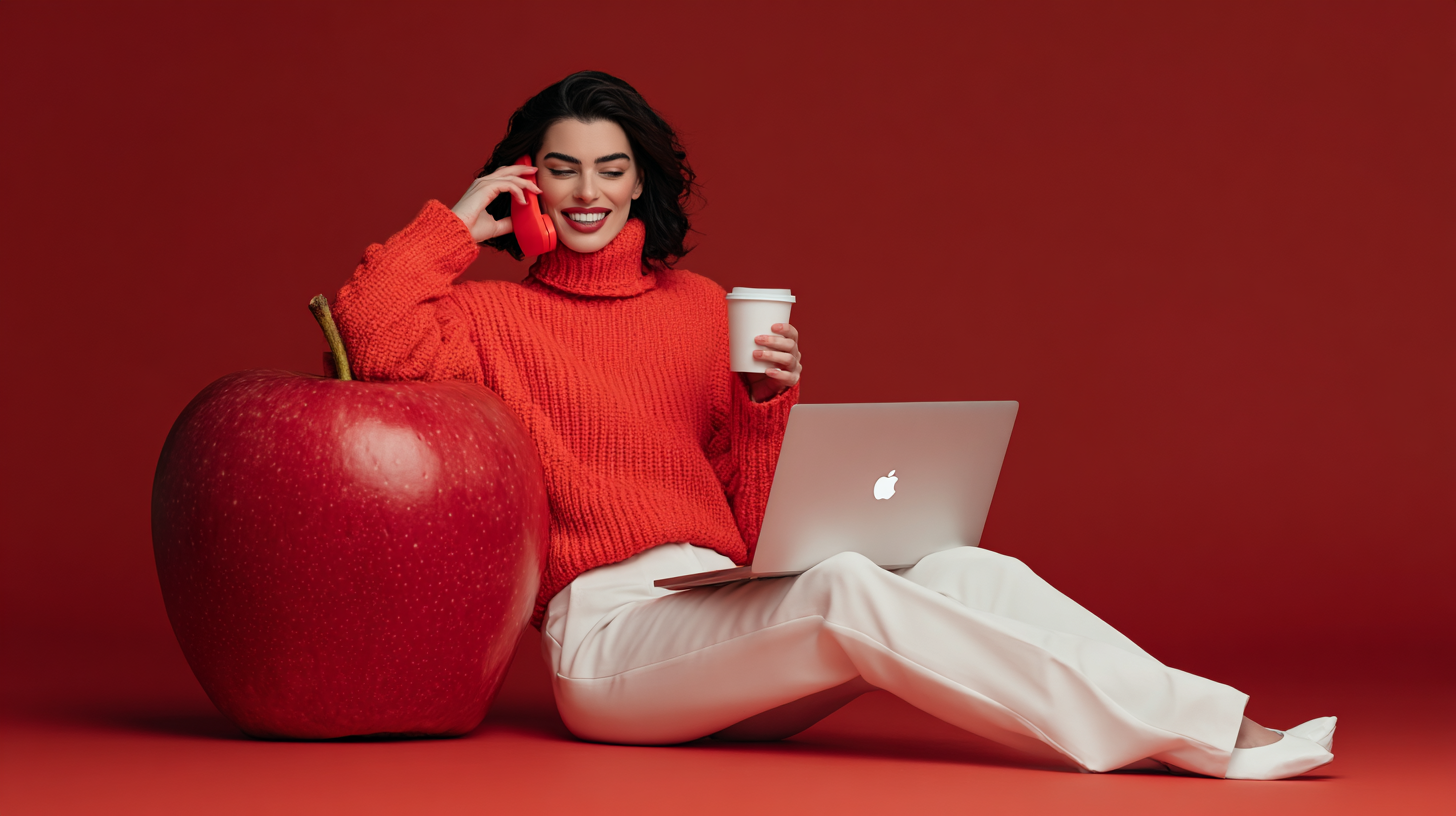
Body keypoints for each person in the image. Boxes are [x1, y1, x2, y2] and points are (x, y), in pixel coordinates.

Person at [332, 70, 1335, 780]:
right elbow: (366, 332)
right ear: (529, 182)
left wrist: (767, 414)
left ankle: (1221, 714)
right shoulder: (486, 319)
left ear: (641, 180)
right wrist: (456, 224)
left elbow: (765, 530)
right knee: (849, 589)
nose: (587, 192)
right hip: (613, 647)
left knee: (959, 569)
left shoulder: (697, 307)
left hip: (729, 610)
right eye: (561, 170)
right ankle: (1197, 740)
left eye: (610, 167)